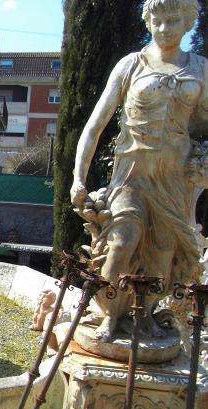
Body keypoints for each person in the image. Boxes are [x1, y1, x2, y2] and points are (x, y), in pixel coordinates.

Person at [70, 0, 207, 341]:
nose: (164, 28)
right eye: (157, 20)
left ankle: (143, 318)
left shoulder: (201, 69)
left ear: (188, 21)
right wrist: (78, 177)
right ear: (148, 22)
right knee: (121, 243)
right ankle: (111, 317)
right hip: (131, 175)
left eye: (173, 20)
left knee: (162, 251)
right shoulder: (132, 65)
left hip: (173, 178)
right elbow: (95, 125)